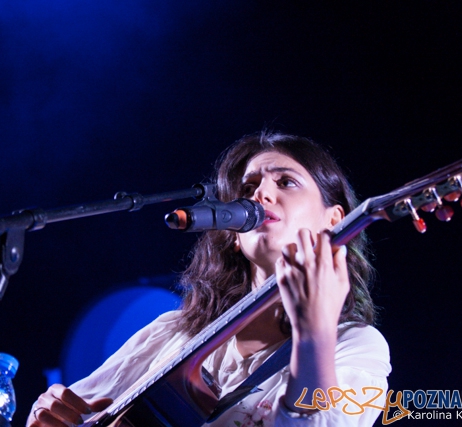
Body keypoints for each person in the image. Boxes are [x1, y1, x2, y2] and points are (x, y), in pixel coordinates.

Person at [27, 131, 391, 427]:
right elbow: (73, 410)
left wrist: (313, 335)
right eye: (247, 189)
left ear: (334, 220)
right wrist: (45, 414)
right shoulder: (173, 333)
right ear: (233, 233)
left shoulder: (355, 346)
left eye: (286, 182)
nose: (261, 195)